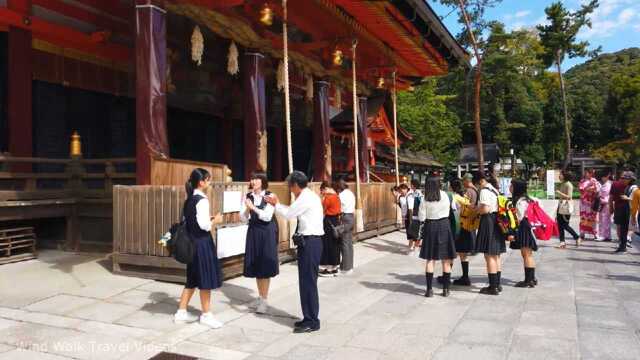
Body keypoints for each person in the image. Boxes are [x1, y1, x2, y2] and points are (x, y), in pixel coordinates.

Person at [265, 171, 324, 333]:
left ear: (296, 185)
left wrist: (275, 204)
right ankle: (308, 317)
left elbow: (290, 213)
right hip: (310, 242)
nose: (290, 189)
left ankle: (312, 320)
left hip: (311, 242)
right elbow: (292, 210)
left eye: (290, 186)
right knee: (305, 282)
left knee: (308, 282)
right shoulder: (308, 195)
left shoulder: (306, 197)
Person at [173, 168, 224, 329]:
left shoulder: (189, 199)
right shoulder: (202, 200)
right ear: (201, 182)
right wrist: (215, 220)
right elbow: (204, 226)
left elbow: (189, 221)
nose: (209, 183)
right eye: (208, 180)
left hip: (191, 244)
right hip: (202, 244)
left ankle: (181, 312)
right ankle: (206, 315)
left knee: (192, 279)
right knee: (205, 280)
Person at [241, 172, 278, 314]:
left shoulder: (270, 196)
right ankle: (261, 297)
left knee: (265, 266)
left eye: (256, 179)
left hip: (266, 232)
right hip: (254, 231)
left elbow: (267, 216)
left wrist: (253, 208)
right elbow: (243, 218)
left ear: (262, 181)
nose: (253, 181)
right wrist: (246, 209)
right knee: (256, 264)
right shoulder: (248, 196)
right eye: (252, 178)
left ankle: (264, 300)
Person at [418, 176, 457, 297]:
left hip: (430, 227)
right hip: (444, 225)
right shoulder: (446, 195)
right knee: (446, 259)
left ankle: (429, 290)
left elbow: (421, 217)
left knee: (430, 259)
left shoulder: (425, 198)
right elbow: (454, 208)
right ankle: (446, 289)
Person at [474, 172, 505, 295]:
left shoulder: (484, 191)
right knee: (496, 254)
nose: (477, 187)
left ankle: (492, 287)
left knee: (489, 255)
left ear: (480, 181)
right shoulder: (494, 189)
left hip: (488, 221)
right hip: (497, 221)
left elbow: (485, 209)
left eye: (477, 184)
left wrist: (477, 209)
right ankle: (497, 284)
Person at [509, 180, 538, 288]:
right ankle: (532, 278)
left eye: (512, 186)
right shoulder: (528, 199)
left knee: (526, 254)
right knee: (527, 254)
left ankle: (528, 280)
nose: (510, 188)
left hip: (524, 227)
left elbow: (519, 218)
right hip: (528, 226)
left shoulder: (521, 201)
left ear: (517, 188)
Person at [454, 173, 479, 286]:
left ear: (466, 181)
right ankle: (465, 276)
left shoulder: (469, 191)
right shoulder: (476, 190)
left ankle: (465, 277)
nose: (462, 183)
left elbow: (466, 206)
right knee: (464, 250)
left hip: (466, 222)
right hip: (472, 221)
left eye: (463, 181)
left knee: (462, 250)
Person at [319, 181, 341, 277]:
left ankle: (328, 268)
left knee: (327, 244)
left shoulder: (328, 198)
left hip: (328, 222)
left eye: (322, 190)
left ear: (325, 188)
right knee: (335, 244)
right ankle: (335, 267)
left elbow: (322, 210)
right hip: (336, 221)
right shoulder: (337, 196)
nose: (322, 192)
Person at [610, 171, 634, 253]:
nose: (623, 179)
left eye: (626, 178)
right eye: (623, 178)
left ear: (630, 179)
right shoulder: (626, 186)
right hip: (621, 208)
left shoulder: (633, 187)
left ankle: (624, 244)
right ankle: (622, 246)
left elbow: (636, 199)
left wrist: (627, 198)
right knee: (622, 228)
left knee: (626, 228)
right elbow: (611, 197)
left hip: (629, 209)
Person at [556, 170, 580, 249]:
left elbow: (569, 197)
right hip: (561, 206)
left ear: (565, 175)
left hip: (566, 207)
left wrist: (559, 193)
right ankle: (562, 242)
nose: (559, 176)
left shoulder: (569, 185)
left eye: (560, 175)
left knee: (565, 225)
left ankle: (577, 237)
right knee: (559, 225)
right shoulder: (563, 184)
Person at [336, 178, 355, 274]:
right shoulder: (351, 193)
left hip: (345, 217)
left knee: (344, 243)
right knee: (349, 243)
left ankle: (346, 268)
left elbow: (339, 208)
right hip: (351, 216)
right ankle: (349, 266)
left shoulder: (341, 195)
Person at [578, 169, 601, 243]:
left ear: (591, 174)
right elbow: (580, 189)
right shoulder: (582, 181)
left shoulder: (595, 181)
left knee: (593, 218)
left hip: (591, 203)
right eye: (585, 173)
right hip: (583, 203)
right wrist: (588, 188)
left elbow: (598, 190)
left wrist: (591, 188)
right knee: (583, 217)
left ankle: (595, 233)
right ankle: (582, 232)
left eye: (587, 173)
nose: (586, 174)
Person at [597, 171, 613, 242]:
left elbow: (608, 196)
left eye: (603, 177)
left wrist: (600, 198)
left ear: (607, 176)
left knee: (604, 220)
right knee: (605, 220)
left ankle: (603, 235)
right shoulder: (607, 184)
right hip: (604, 204)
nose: (602, 178)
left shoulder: (608, 185)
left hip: (605, 204)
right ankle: (607, 236)